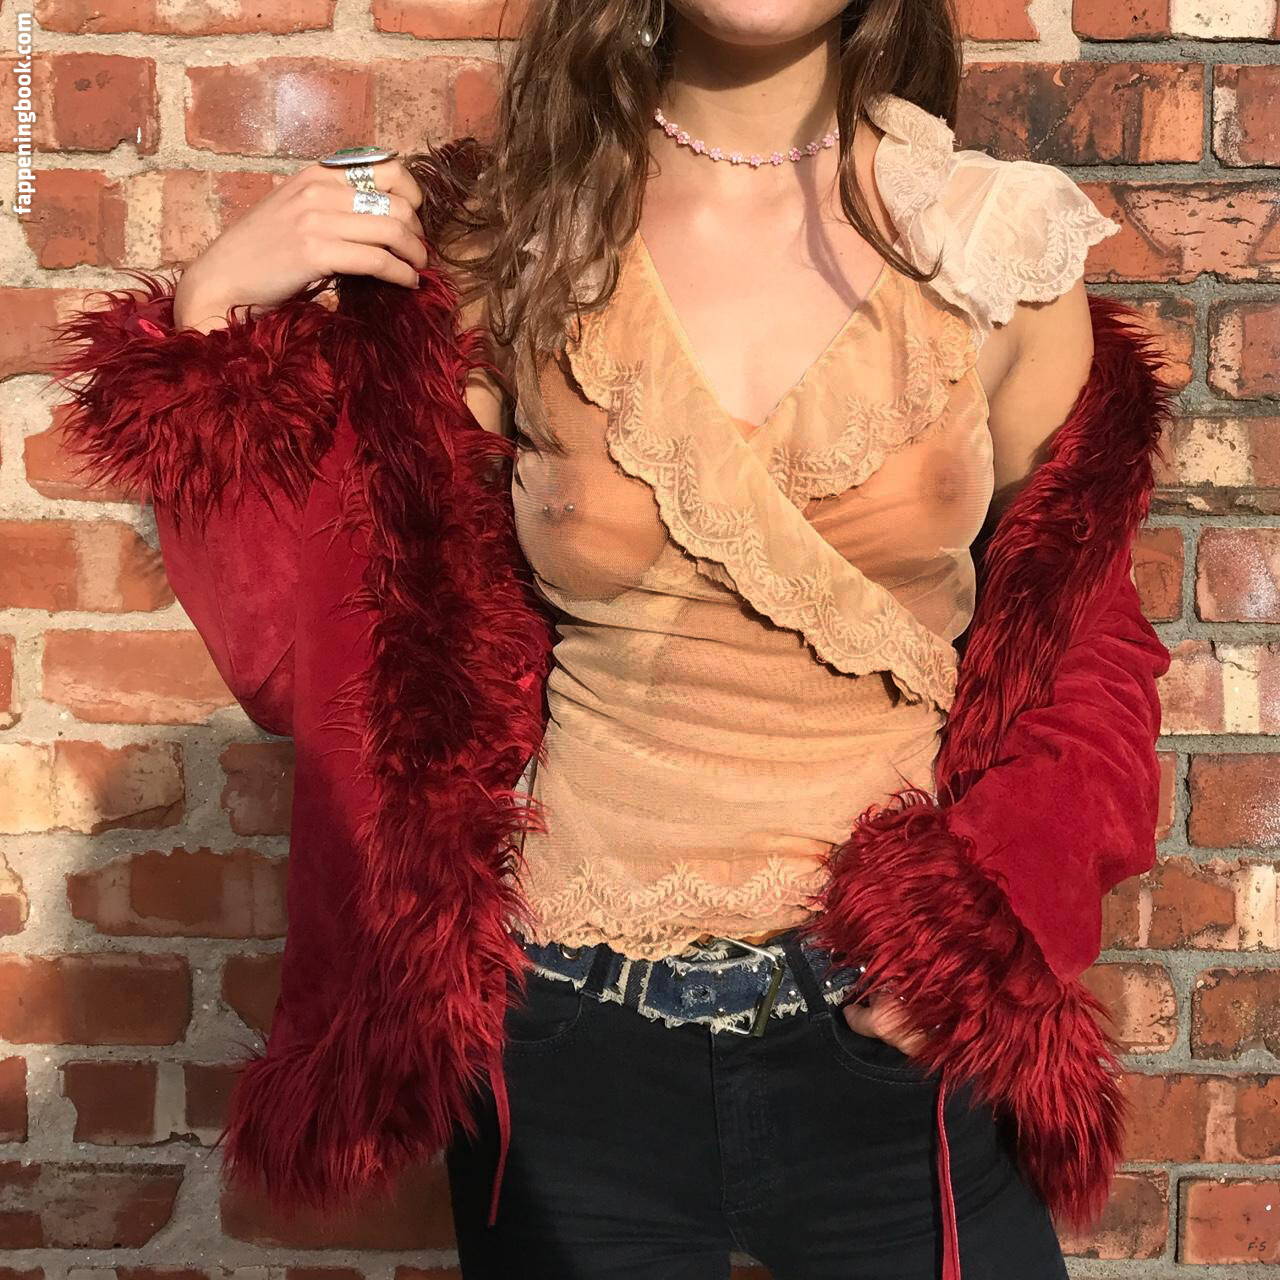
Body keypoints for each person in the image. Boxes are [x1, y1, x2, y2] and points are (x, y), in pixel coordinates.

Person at [40, 2, 1175, 1277]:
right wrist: (208, 322)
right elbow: (328, 634)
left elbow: (1084, 650)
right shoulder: (510, 240)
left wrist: (985, 924)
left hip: (890, 1045)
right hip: (571, 1049)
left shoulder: (994, 247)